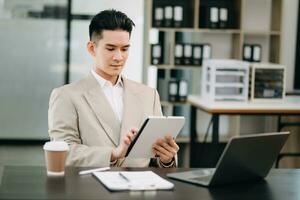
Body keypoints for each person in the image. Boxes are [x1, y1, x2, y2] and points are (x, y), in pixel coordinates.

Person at [48, 9, 179, 168]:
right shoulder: (66, 96)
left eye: (124, 49)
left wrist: (166, 159)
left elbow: (156, 157)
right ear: (91, 48)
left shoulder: (149, 95)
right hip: (91, 189)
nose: (119, 57)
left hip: (140, 188)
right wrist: (112, 154)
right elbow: (64, 152)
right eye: (110, 49)